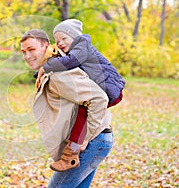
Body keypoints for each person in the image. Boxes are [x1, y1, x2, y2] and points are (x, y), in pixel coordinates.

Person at [20, 29, 113, 187]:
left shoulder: (58, 74)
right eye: (23, 51)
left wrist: (82, 140)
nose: (27, 56)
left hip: (90, 143)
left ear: (46, 46)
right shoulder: (52, 71)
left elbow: (99, 98)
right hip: (97, 140)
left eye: (31, 49)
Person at [37, 19, 125, 172]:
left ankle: (72, 152)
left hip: (111, 89)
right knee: (82, 110)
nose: (60, 43)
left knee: (82, 112)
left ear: (75, 36)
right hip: (104, 87)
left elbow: (70, 61)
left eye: (64, 38)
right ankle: (72, 151)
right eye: (57, 41)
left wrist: (45, 67)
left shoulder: (82, 45)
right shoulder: (76, 49)